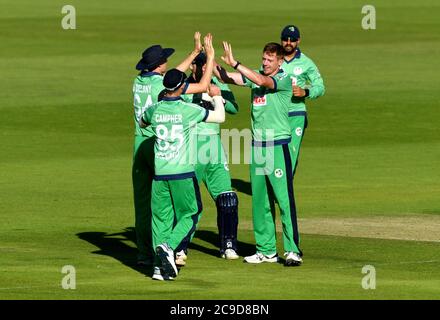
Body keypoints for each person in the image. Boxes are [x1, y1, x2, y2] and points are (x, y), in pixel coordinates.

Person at [138, 35, 227, 281]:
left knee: (160, 220)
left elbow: (141, 121)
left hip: (160, 174)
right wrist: (217, 95)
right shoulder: (187, 110)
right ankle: (169, 248)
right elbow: (219, 117)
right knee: (191, 212)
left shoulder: (155, 109)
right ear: (180, 87)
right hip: (182, 173)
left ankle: (158, 268)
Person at [216, 41, 303, 266]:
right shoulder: (256, 76)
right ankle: (266, 250)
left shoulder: (283, 79)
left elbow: (262, 81)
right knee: (260, 202)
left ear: (280, 61)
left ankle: (293, 250)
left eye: (269, 60)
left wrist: (235, 62)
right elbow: (228, 78)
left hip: (277, 146)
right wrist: (208, 60)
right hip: (258, 148)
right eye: (263, 59)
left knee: (284, 200)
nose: (265, 63)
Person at [174, 52, 240, 265]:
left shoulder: (216, 84)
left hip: (214, 147)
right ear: (193, 66)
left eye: (207, 66)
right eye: (200, 65)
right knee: (189, 203)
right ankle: (180, 247)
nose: (203, 69)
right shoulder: (184, 86)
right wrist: (202, 94)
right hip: (191, 147)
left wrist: (219, 93)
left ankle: (228, 245)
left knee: (227, 197)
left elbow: (233, 109)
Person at [280, 24, 325, 176]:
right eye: (285, 39)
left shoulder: (306, 63)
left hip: (296, 113)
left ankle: (285, 192)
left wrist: (305, 92)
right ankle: (271, 190)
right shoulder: (274, 59)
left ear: (298, 41)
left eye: (292, 40)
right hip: (276, 113)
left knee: (291, 152)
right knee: (273, 153)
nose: (288, 43)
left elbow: (320, 87)